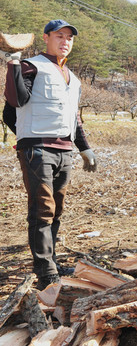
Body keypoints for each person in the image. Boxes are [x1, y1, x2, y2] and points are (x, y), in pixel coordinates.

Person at [2, 19, 98, 290]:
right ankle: (45, 271)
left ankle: (52, 261)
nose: (65, 41)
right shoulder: (31, 66)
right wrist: (28, 136)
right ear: (46, 38)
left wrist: (85, 148)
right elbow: (14, 105)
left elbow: (74, 118)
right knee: (42, 211)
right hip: (38, 151)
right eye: (59, 36)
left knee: (56, 210)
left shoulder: (73, 78)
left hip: (64, 151)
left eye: (69, 37)